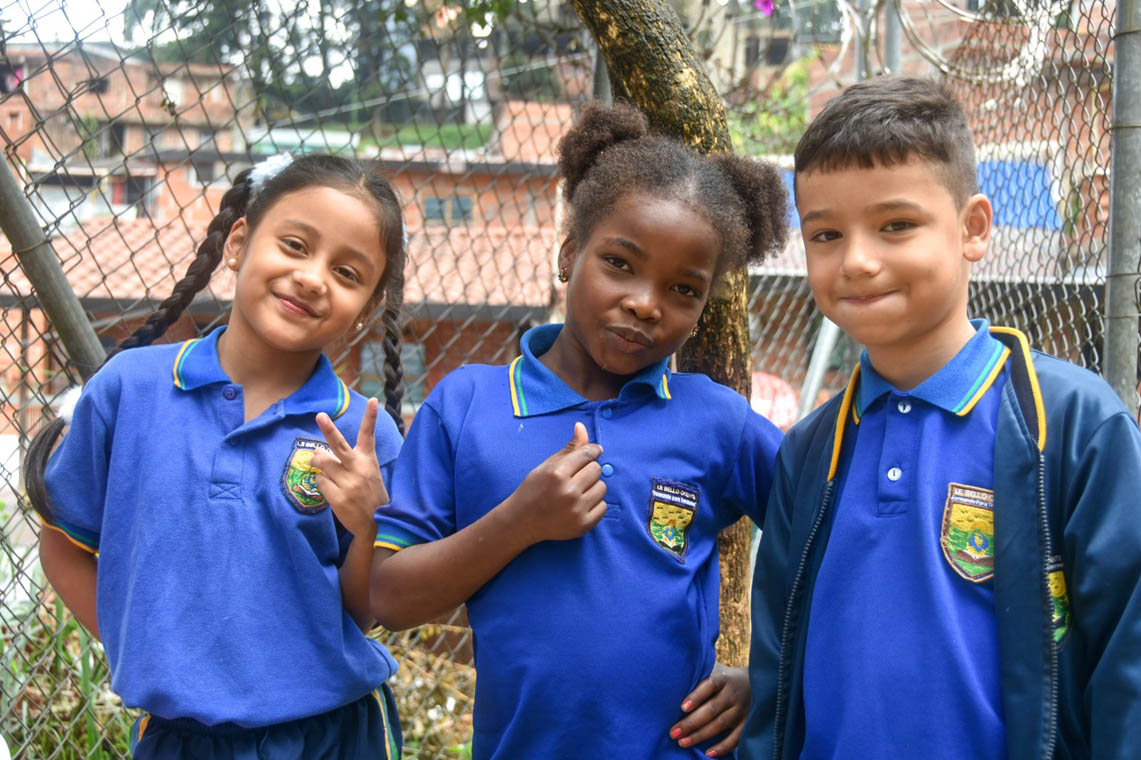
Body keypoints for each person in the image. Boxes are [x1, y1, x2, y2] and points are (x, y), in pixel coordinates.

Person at [369, 100, 789, 759]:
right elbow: (385, 595)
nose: (645, 303)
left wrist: (770, 674)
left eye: (683, 290)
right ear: (569, 253)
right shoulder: (467, 406)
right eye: (620, 264)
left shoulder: (715, 421)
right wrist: (519, 522)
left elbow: (834, 539)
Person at [741, 76, 1141, 760]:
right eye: (826, 234)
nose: (858, 260)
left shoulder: (1072, 425)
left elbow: (1126, 666)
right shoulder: (809, 452)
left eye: (895, 225)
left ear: (972, 228)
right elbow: (776, 669)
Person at [25, 153, 408, 759]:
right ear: (238, 243)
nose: (312, 277)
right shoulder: (130, 390)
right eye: (295, 244)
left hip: (328, 735)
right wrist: (153, 651)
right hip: (177, 739)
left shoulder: (363, 434)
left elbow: (363, 610)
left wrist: (365, 525)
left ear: (364, 308)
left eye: (348, 273)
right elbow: (62, 542)